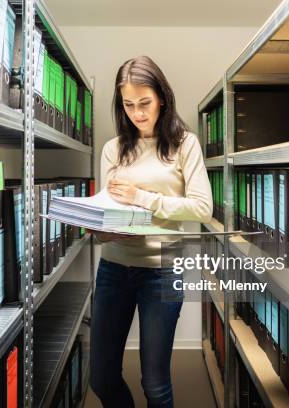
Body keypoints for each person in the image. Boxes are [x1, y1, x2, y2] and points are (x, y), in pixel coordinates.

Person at [88, 55, 213, 408]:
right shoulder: (113, 149)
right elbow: (106, 212)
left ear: (162, 98)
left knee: (154, 384)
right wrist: (102, 231)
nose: (138, 113)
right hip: (113, 267)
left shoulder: (184, 144)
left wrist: (143, 198)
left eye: (145, 103)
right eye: (129, 105)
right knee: (101, 377)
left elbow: (203, 208)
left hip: (162, 269)